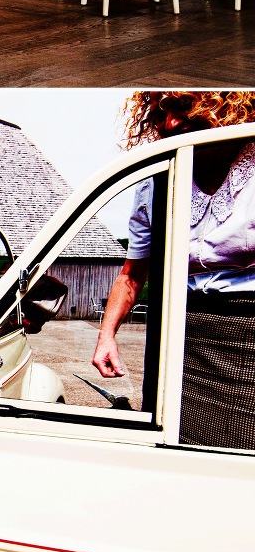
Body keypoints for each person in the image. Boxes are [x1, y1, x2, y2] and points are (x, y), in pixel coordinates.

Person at [91, 91, 255, 449]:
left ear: (226, 107)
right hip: (176, 333)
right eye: (159, 115)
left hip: (247, 334)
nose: (171, 124)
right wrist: (106, 335)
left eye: (182, 109)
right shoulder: (158, 178)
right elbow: (132, 275)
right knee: (172, 443)